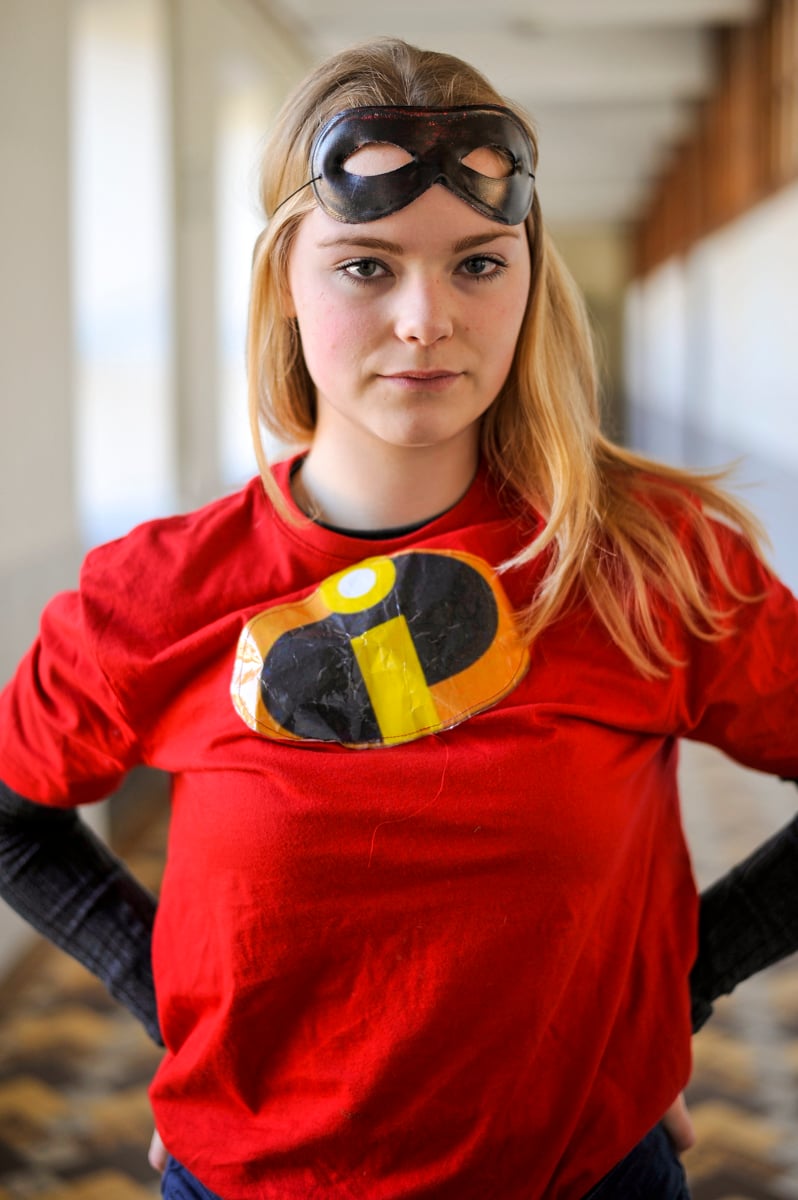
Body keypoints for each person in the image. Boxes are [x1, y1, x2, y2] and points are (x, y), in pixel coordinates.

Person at [0, 35, 797, 1200]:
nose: (428, 319)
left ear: (529, 274)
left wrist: (664, 999)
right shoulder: (153, 595)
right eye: (367, 267)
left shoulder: (650, 562)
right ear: (284, 280)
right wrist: (170, 1005)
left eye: (478, 263)